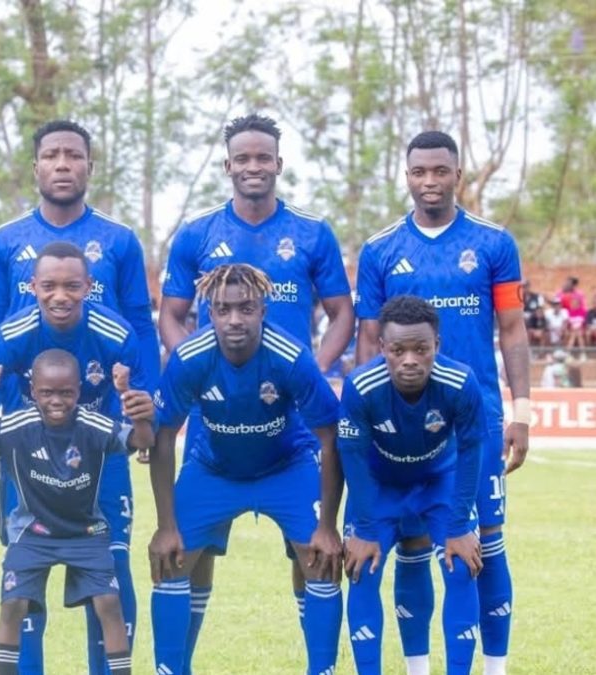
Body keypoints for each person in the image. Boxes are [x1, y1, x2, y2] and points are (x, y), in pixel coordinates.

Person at [158, 113, 353, 662]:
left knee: (311, 553)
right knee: (189, 556)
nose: (252, 166)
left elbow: (342, 313)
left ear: (278, 164)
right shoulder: (197, 234)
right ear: (227, 166)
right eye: (242, 158)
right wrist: (199, 365)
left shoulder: (312, 233)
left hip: (291, 426)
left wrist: (307, 369)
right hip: (217, 422)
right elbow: (171, 315)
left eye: (262, 157)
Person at [0, 119, 157, 674]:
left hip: (100, 441)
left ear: (89, 166)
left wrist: (145, 403)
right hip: (28, 446)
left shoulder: (119, 240)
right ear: (35, 167)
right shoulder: (5, 240)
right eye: (50, 155)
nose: (62, 164)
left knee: (109, 574)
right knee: (24, 579)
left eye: (73, 155)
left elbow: (140, 330)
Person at [355, 130, 529, 675]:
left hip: (474, 418)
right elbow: (367, 342)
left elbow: (514, 330)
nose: (429, 182)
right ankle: (417, 668)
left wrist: (521, 411)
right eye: (418, 172)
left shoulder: (494, 243)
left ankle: (494, 668)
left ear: (458, 174)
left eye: (440, 171)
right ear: (406, 176)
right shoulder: (381, 250)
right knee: (411, 543)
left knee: (485, 544)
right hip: (402, 423)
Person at [147, 263, 343, 675]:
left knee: (320, 557)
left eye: (246, 308)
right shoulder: (189, 358)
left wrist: (327, 525)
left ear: (263, 310)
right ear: (209, 313)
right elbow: (163, 438)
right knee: (172, 556)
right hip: (214, 468)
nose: (234, 319)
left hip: (286, 464)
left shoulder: (290, 357)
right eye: (223, 309)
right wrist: (166, 525)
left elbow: (330, 435)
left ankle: (322, 670)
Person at [0, 349, 154, 675]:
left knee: (109, 604)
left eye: (66, 392)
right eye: (47, 392)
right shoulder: (16, 425)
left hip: (86, 533)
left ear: (78, 390)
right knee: (13, 605)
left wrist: (134, 405)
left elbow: (142, 440)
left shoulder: (95, 425)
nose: (56, 401)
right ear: (33, 392)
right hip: (32, 533)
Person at [340, 295, 485, 675]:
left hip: (438, 482)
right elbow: (351, 458)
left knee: (461, 567)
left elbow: (472, 452)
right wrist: (365, 529)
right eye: (398, 350)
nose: (409, 360)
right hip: (378, 487)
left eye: (421, 349)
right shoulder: (360, 386)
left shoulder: (460, 382)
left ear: (436, 345)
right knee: (362, 570)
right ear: (382, 348)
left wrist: (458, 527)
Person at [558, 277, 587, 351]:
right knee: (566, 332)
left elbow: (583, 311)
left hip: (576, 320)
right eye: (566, 282)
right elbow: (556, 304)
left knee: (576, 332)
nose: (566, 284)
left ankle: (572, 352)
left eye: (569, 283)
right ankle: (564, 351)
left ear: (573, 285)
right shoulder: (560, 293)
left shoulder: (579, 294)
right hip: (566, 319)